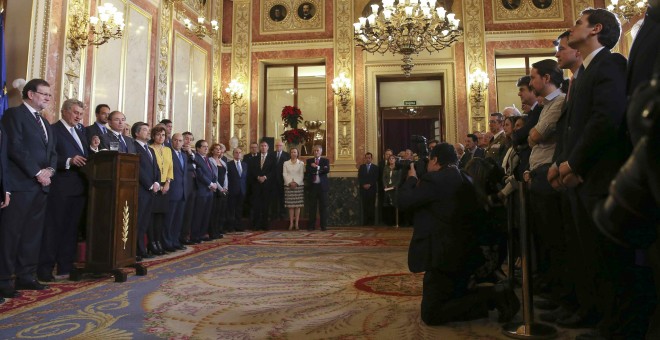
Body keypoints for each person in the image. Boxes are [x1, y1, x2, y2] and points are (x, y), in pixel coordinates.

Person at [551, 8, 632, 338]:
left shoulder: (611, 64)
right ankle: (593, 313)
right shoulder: (584, 71)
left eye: (578, 23)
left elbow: (605, 120)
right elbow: (572, 128)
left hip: (598, 178)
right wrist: (562, 164)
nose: (572, 29)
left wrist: (573, 164)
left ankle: (614, 326)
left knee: (608, 259)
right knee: (587, 255)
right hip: (579, 179)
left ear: (596, 29)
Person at [398, 143, 519, 325]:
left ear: (435, 160)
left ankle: (494, 295)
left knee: (431, 314)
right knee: (451, 296)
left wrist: (411, 179)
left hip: (443, 257)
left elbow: (403, 201)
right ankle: (489, 297)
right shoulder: (464, 176)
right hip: (465, 253)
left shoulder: (436, 180)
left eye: (429, 161)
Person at [0, 78, 57, 298]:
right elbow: (15, 147)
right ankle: (4, 279)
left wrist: (50, 171)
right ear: (31, 94)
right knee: (11, 233)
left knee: (32, 234)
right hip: (21, 184)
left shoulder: (44, 121)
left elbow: (52, 151)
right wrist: (37, 172)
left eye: (49, 95)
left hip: (42, 186)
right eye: (44, 94)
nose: (47, 98)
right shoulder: (14, 115)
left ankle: (26, 276)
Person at [38, 99, 88, 282]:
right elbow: (48, 156)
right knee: (54, 229)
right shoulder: (53, 129)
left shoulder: (81, 131)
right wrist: (68, 161)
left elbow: (85, 155)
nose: (78, 117)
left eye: (81, 114)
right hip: (60, 187)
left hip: (79, 188)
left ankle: (65, 266)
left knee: (71, 230)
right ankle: (45, 269)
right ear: (64, 111)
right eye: (75, 113)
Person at [133, 122, 160, 259]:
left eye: (148, 130)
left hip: (151, 190)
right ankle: (136, 250)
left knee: (145, 222)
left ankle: (142, 249)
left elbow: (156, 169)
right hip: (141, 190)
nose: (148, 132)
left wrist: (156, 182)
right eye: (144, 130)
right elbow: (138, 168)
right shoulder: (134, 146)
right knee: (137, 222)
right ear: (137, 133)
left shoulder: (150, 149)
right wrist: (149, 184)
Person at [150, 125, 174, 253]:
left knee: (161, 216)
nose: (161, 137)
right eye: (158, 134)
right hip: (154, 185)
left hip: (166, 185)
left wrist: (168, 183)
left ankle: (159, 242)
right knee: (152, 216)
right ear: (153, 136)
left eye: (163, 135)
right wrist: (157, 184)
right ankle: (152, 243)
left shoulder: (168, 150)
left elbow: (170, 167)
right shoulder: (150, 148)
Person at [191, 140, 217, 243]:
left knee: (206, 214)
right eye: (203, 147)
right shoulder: (196, 158)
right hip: (201, 190)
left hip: (209, 191)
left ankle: (202, 234)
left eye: (207, 146)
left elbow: (212, 173)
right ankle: (195, 235)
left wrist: (214, 183)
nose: (206, 148)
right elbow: (200, 174)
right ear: (198, 148)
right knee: (198, 214)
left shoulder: (206, 158)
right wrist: (210, 184)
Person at [164, 133, 187, 251]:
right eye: (176, 140)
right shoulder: (168, 153)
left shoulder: (184, 155)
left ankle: (175, 240)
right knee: (170, 219)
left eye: (180, 141)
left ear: (183, 142)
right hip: (172, 191)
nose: (178, 143)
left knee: (178, 219)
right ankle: (168, 243)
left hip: (183, 192)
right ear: (171, 141)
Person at [249, 141, 276, 230]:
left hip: (267, 185)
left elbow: (273, 171)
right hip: (256, 185)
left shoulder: (272, 158)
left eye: (265, 146)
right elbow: (251, 170)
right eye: (262, 146)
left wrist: (265, 177)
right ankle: (256, 225)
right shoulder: (254, 159)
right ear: (259, 148)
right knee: (256, 206)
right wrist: (257, 177)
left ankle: (265, 225)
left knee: (266, 206)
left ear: (268, 147)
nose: (263, 147)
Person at [305, 145, 329, 231]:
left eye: (317, 150)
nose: (316, 152)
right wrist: (318, 169)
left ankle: (323, 226)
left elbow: (326, 170)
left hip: (322, 187)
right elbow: (308, 171)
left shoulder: (325, 160)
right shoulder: (309, 161)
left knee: (323, 207)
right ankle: (311, 226)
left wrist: (316, 167)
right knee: (312, 207)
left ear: (321, 152)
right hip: (313, 187)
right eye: (314, 150)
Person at [209, 143, 228, 239]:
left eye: (219, 149)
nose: (218, 150)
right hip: (215, 189)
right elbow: (213, 176)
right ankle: (212, 232)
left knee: (220, 211)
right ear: (212, 151)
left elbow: (225, 176)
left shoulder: (223, 162)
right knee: (214, 211)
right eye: (216, 149)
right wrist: (220, 188)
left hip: (223, 189)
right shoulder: (210, 161)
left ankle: (218, 230)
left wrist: (225, 187)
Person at [282, 147, 304, 230]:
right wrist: (290, 183)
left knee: (297, 206)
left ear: (297, 153)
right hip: (288, 185)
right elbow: (284, 174)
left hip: (299, 185)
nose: (293, 153)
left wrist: (296, 183)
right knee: (290, 206)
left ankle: (297, 223)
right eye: (292, 152)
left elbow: (301, 175)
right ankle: (291, 223)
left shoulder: (301, 163)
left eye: (295, 152)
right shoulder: (286, 163)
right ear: (290, 154)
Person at [227, 148, 248, 232]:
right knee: (231, 209)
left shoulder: (245, 164)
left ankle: (238, 226)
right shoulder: (229, 164)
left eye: (240, 152)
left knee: (239, 209)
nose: (238, 154)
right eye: (236, 153)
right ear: (233, 154)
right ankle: (230, 227)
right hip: (232, 189)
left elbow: (245, 178)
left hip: (242, 190)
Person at [358, 152, 378, 226]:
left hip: (372, 189)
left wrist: (370, 184)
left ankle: (371, 222)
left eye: (369, 158)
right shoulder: (362, 167)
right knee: (365, 206)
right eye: (366, 158)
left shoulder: (375, 167)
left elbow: (375, 177)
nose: (368, 159)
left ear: (371, 159)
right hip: (363, 190)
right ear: (365, 158)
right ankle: (365, 222)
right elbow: (360, 177)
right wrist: (363, 184)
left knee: (371, 206)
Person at [271, 140, 290, 220]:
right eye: (277, 145)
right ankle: (274, 215)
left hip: (283, 180)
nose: (278, 147)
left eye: (280, 145)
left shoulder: (287, 155)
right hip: (273, 181)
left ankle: (282, 214)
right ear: (275, 146)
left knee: (282, 198)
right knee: (273, 199)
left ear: (282, 146)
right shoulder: (271, 154)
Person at [382, 154, 400, 226]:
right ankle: (388, 222)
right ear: (388, 160)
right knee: (387, 204)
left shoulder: (398, 168)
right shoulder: (386, 168)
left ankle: (395, 222)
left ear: (395, 160)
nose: (391, 160)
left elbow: (399, 178)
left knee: (394, 205)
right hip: (387, 188)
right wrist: (385, 185)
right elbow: (383, 177)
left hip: (395, 188)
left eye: (393, 158)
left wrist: (395, 186)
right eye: (390, 159)